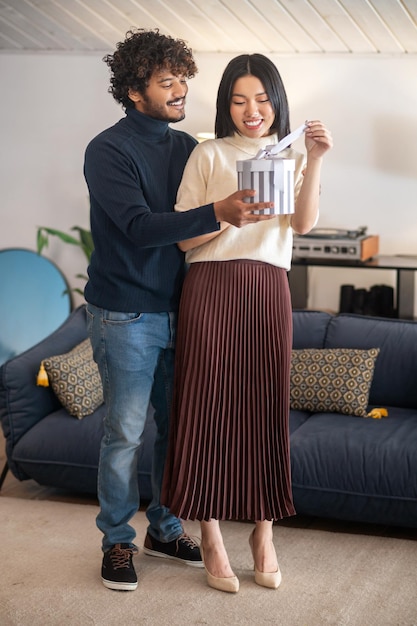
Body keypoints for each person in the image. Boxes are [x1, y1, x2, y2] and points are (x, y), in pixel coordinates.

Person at [83, 31, 275, 592]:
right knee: (124, 432)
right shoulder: (108, 150)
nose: (179, 90)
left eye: (182, 79)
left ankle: (165, 528)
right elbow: (142, 228)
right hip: (125, 314)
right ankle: (117, 542)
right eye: (166, 82)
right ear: (134, 91)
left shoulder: (190, 147)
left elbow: (206, 224)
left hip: (185, 309)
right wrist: (217, 210)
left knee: (177, 430)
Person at [161, 53, 333, 593]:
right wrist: (223, 212)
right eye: (239, 100)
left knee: (263, 403)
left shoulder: (289, 156)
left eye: (261, 99)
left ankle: (264, 532)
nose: (251, 110)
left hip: (267, 287)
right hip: (210, 286)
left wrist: (317, 158)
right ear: (226, 105)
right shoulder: (207, 153)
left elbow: (301, 225)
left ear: (276, 102)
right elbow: (183, 238)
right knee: (206, 402)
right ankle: (209, 532)